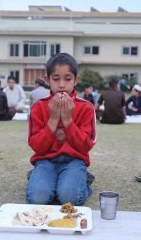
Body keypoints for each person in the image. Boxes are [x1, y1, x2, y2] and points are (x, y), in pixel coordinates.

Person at [26, 53, 96, 205]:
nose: (62, 85)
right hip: (46, 160)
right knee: (38, 198)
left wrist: (67, 120)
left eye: (68, 79)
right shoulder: (38, 107)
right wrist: (52, 119)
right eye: (56, 79)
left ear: (76, 80)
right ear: (47, 80)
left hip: (74, 160)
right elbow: (37, 146)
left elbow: (86, 146)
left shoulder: (86, 107)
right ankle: (39, 176)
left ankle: (83, 182)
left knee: (68, 198)